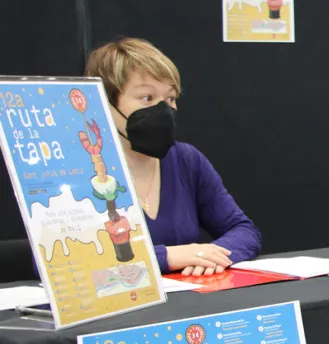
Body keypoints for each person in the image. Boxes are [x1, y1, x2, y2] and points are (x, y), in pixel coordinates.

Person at [86, 38, 261, 274]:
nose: (163, 110)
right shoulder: (80, 171)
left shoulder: (185, 159)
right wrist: (167, 256)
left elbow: (244, 231)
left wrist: (208, 256)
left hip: (186, 302)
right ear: (105, 103)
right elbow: (63, 264)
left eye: (170, 98)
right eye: (147, 98)